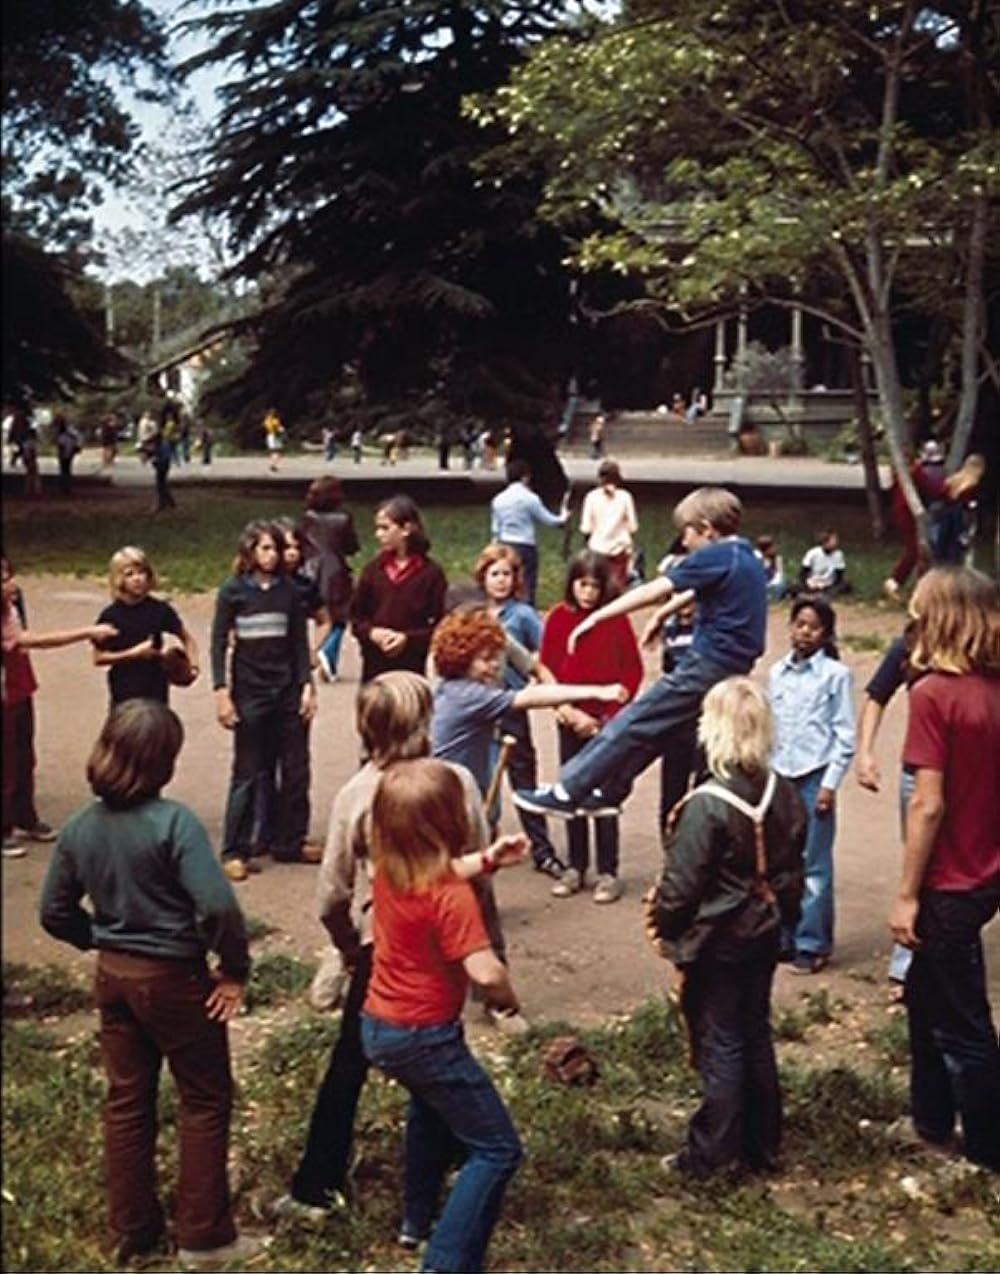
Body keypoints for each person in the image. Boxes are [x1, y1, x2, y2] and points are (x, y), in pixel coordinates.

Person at [275, 672, 527, 1224]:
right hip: (445, 944)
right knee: (439, 1051)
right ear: (423, 723)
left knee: (350, 1065)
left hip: (382, 941)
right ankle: (446, 1170)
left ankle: (317, 1185)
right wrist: (491, 954)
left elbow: (331, 895)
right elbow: (479, 877)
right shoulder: (456, 779)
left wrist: (346, 949)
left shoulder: (356, 794)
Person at [38, 700, 261, 1269]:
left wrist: (100, 939)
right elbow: (216, 906)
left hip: (113, 977)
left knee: (127, 1100)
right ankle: (204, 1237)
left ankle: (132, 1230)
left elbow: (53, 911)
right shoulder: (173, 822)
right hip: (174, 979)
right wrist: (233, 969)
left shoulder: (81, 826)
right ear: (164, 761)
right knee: (205, 1096)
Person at [361, 757, 524, 1274]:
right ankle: (446, 1263)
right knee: (497, 1150)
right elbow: (485, 971)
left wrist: (488, 859)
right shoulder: (451, 899)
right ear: (450, 820)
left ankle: (416, 1218)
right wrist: (506, 997)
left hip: (379, 1024)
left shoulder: (387, 866)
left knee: (431, 1108)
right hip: (425, 1034)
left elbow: (434, 867)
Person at [514, 487, 766, 819]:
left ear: (706, 529)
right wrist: (663, 615)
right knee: (665, 729)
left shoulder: (714, 555)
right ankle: (610, 791)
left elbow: (653, 589)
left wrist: (598, 617)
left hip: (707, 664)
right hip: (732, 666)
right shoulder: (745, 556)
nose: (685, 543)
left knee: (636, 719)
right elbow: (697, 590)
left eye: (686, 534)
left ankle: (568, 789)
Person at [645, 678, 806, 1180]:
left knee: (722, 1042)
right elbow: (794, 867)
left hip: (720, 940)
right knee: (754, 1032)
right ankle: (763, 1145)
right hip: (766, 930)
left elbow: (681, 887)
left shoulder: (706, 804)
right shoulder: (785, 792)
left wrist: (664, 925)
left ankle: (713, 1156)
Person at [887, 567, 1000, 1170]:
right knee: (926, 1004)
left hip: (947, 884)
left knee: (964, 1026)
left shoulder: (933, 694)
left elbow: (927, 803)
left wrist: (907, 894)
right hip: (985, 876)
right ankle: (929, 1122)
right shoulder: (993, 689)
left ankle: (985, 1155)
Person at [430, 605, 628, 823]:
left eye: (496, 657)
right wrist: (598, 691)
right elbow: (531, 697)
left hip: (458, 785)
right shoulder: (469, 696)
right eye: (486, 659)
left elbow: (535, 671)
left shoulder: (451, 688)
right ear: (461, 659)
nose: (496, 665)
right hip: (446, 792)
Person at [211, 520, 319, 882]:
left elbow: (299, 644)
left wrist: (307, 685)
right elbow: (218, 643)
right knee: (247, 772)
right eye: (265, 548)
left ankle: (290, 841)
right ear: (250, 552)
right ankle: (234, 849)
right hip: (250, 693)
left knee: (295, 768)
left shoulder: (290, 592)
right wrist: (221, 692)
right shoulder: (232, 592)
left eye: (276, 548)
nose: (272, 556)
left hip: (287, 690)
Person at [541, 551, 642, 904]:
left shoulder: (615, 621)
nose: (587, 593)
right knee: (572, 789)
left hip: (606, 725)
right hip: (570, 719)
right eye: (582, 584)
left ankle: (608, 871)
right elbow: (546, 670)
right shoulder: (557, 619)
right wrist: (565, 709)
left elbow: (632, 671)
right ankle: (576, 865)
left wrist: (609, 717)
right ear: (571, 584)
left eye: (595, 586)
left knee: (604, 795)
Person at [2, 554, 117, 856]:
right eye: (3, 579)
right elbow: (31, 640)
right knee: (6, 761)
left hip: (19, 687)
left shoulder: (12, 604)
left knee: (24, 755)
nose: (10, 583)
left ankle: (24, 815)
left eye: (8, 574)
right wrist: (87, 632)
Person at [768, 597, 855, 974]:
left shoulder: (835, 675)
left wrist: (830, 784)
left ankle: (813, 942)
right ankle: (785, 933)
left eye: (813, 627)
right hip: (781, 775)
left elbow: (845, 735)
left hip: (815, 775)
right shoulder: (777, 673)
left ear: (826, 634)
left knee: (814, 864)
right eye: (799, 624)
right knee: (781, 858)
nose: (804, 632)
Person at [474, 543, 564, 879]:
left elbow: (541, 658)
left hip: (512, 705)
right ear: (483, 578)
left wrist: (537, 686)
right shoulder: (475, 615)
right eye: (494, 574)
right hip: (479, 707)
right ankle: (482, 847)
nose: (500, 581)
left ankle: (543, 850)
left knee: (523, 777)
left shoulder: (523, 615)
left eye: (507, 574)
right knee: (480, 779)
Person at [249, 520, 330, 860]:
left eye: (295, 546)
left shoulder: (302, 588)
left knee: (296, 763)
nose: (291, 553)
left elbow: (326, 618)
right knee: (261, 762)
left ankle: (292, 836)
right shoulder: (254, 588)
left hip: (293, 679)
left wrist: (313, 652)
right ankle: (262, 830)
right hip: (261, 681)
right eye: (284, 546)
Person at [856, 623, 920, 992]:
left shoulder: (977, 639)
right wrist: (865, 752)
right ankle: (906, 964)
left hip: (974, 773)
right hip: (920, 770)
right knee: (918, 860)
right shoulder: (910, 644)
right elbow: (877, 695)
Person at [350, 495, 447, 684]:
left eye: (385, 528)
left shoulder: (431, 574)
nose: (378, 534)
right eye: (377, 528)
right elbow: (356, 618)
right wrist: (372, 633)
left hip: (411, 669)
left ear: (406, 529)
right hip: (374, 669)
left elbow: (440, 625)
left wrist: (408, 639)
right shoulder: (373, 571)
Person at [93, 546, 200, 706]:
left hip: (156, 688)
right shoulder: (111, 616)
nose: (137, 578)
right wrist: (133, 654)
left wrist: (193, 666)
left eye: (141, 572)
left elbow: (187, 639)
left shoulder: (160, 610)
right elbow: (99, 658)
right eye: (129, 574)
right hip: (124, 690)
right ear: (119, 579)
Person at [299, 476, 360, 683]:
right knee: (340, 618)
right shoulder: (343, 519)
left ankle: (326, 660)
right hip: (335, 571)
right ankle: (327, 651)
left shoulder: (308, 517)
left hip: (311, 570)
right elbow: (352, 546)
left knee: (319, 616)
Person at [489, 459, 569, 607]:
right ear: (525, 477)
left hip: (505, 544)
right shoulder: (530, 498)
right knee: (528, 583)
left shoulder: (498, 500)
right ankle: (527, 611)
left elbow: (495, 529)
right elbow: (549, 520)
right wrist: (563, 516)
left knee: (508, 580)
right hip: (526, 544)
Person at [883, 440, 947, 600]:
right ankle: (896, 581)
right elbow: (930, 489)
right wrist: (948, 490)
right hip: (908, 514)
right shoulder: (915, 471)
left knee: (918, 550)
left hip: (900, 512)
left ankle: (908, 584)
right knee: (916, 550)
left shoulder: (900, 472)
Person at [578, 460, 638, 594]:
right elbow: (633, 527)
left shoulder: (591, 497)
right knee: (618, 588)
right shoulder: (625, 497)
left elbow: (586, 528)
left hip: (597, 548)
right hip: (619, 548)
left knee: (598, 586)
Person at [796, 528, 851, 597]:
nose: (836, 542)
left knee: (845, 584)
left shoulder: (838, 554)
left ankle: (824, 593)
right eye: (833, 540)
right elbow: (803, 572)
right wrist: (809, 583)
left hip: (828, 583)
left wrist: (830, 583)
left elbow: (839, 575)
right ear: (825, 542)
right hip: (813, 582)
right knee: (797, 586)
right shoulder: (813, 553)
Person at [53, 412, 81, 496]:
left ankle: (65, 487)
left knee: (65, 469)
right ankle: (65, 486)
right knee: (65, 469)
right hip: (66, 449)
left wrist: (75, 446)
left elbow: (76, 438)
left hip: (66, 449)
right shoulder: (66, 430)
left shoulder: (67, 430)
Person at [754, 535, 786, 602]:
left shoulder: (776, 558)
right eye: (773, 546)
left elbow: (780, 578)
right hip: (759, 587)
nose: (775, 548)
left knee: (780, 586)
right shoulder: (755, 558)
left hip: (772, 587)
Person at [151, 424, 175, 512]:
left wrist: (156, 462)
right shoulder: (164, 444)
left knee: (160, 485)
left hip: (162, 466)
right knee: (162, 484)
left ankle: (162, 503)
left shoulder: (162, 445)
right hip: (163, 465)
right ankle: (170, 502)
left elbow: (163, 457)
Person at [263, 407, 285, 472]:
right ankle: (274, 465)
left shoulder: (266, 420)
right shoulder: (275, 420)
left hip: (270, 436)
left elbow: (267, 428)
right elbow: (279, 429)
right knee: (277, 451)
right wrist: (281, 431)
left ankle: (273, 464)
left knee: (273, 451)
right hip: (275, 436)